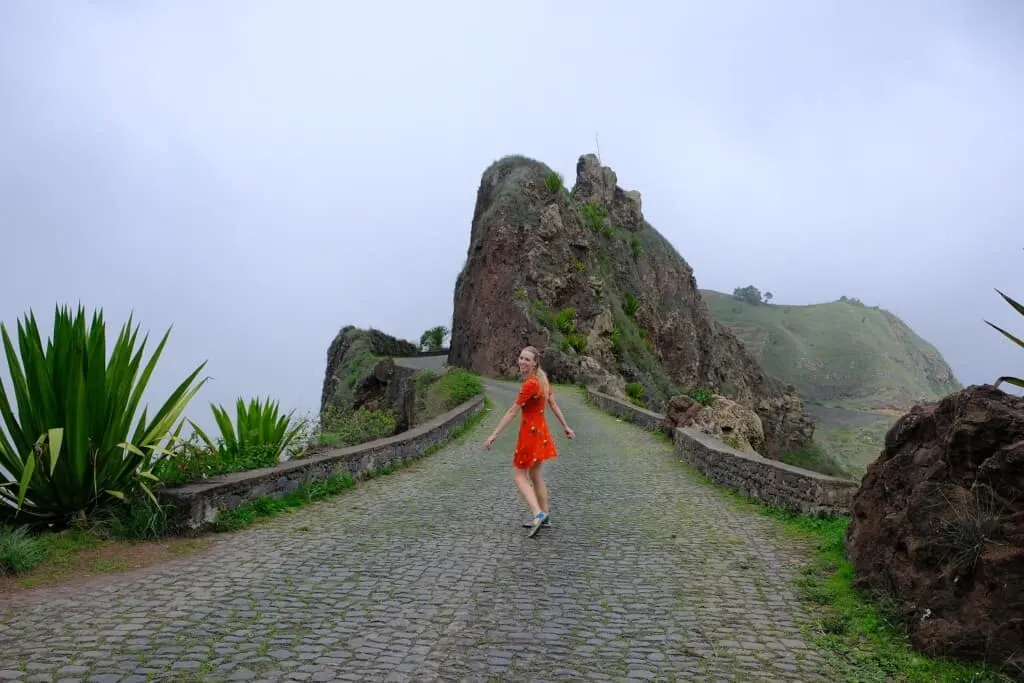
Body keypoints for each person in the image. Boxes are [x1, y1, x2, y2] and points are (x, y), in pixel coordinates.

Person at [485, 345, 574, 536]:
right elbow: (553, 404)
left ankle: (538, 513)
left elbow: (512, 411)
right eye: (521, 358)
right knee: (535, 476)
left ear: (535, 362)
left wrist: (494, 434)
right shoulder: (542, 380)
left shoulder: (531, 384)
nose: (522, 362)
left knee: (518, 475)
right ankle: (546, 516)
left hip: (530, 434)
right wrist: (566, 426)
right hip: (541, 433)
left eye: (527, 359)